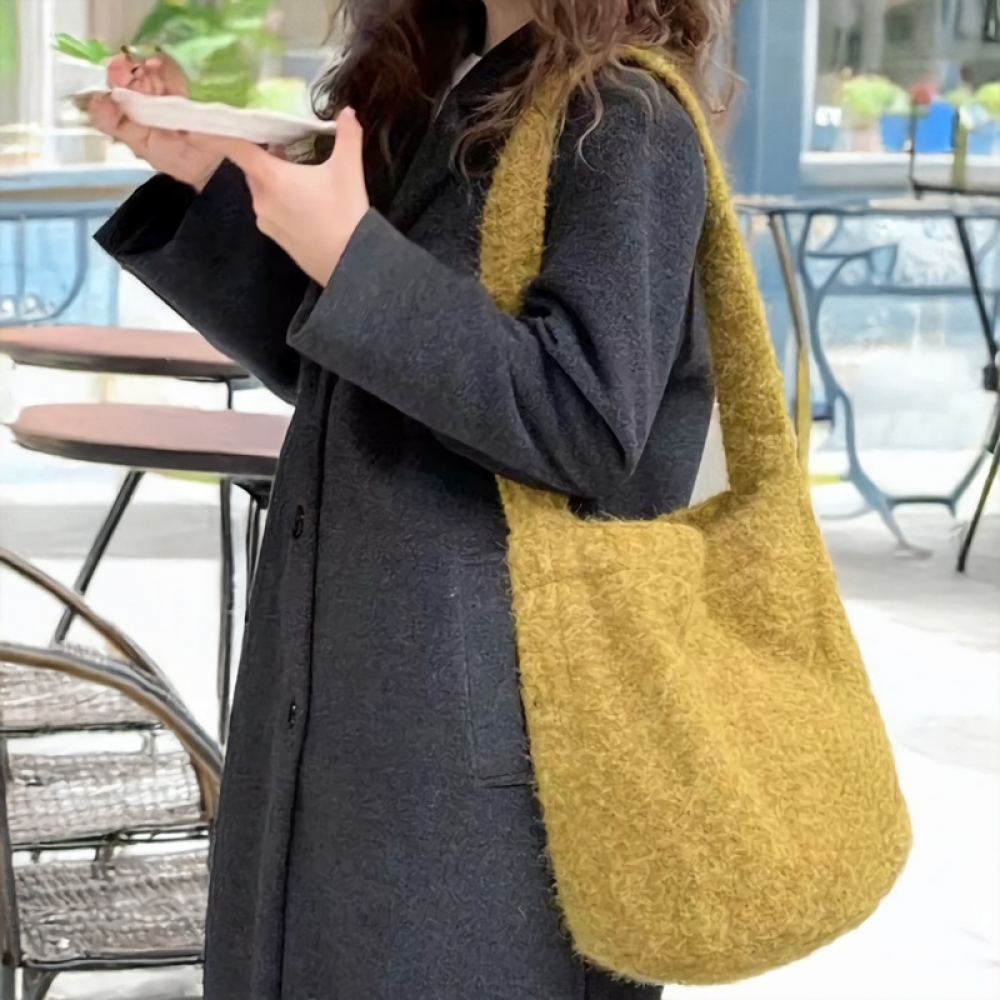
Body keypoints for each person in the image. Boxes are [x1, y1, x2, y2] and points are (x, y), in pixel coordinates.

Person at [90, 1, 730, 997]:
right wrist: (209, 176)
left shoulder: (625, 120)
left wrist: (351, 254)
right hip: (353, 715)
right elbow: (358, 369)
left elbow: (585, 422)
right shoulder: (440, 82)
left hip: (487, 781)